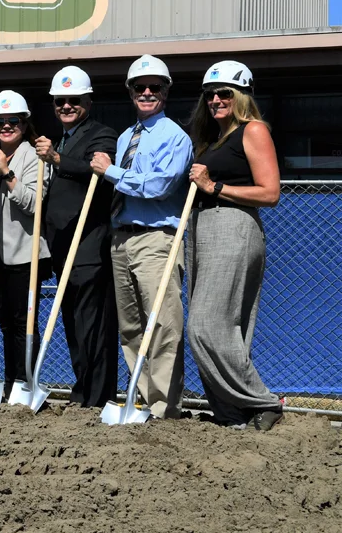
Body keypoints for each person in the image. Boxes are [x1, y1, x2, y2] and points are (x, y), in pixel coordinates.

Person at [91, 54, 193, 419]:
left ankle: (165, 408)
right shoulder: (125, 137)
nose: (147, 92)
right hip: (123, 239)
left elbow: (162, 186)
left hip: (156, 239)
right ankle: (142, 399)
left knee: (163, 325)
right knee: (131, 327)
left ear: (166, 92)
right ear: (130, 92)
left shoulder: (174, 137)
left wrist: (112, 172)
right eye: (140, 87)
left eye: (155, 87)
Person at [186, 61, 284, 430]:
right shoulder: (214, 138)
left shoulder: (253, 130)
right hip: (202, 229)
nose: (215, 99)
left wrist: (216, 187)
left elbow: (270, 193)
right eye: (209, 94)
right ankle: (232, 414)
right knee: (222, 328)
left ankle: (264, 401)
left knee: (205, 325)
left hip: (233, 228)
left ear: (241, 95)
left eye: (224, 92)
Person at [35, 67, 119, 408]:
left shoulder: (102, 135)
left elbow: (95, 171)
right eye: (60, 101)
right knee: (72, 323)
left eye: (73, 100)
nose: (66, 106)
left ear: (88, 101)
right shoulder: (62, 139)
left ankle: (98, 396)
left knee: (93, 324)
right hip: (62, 245)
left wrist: (56, 158)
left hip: (89, 245)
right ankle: (82, 389)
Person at [0, 90, 51, 393]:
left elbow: (33, 202)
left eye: (12, 120)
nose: (6, 126)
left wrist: (7, 173)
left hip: (23, 255)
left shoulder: (32, 157)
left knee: (22, 323)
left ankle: (25, 382)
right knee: (4, 323)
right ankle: (9, 383)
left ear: (25, 124)